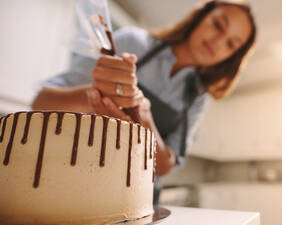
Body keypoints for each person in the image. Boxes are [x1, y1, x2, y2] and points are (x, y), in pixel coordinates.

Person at [32, 0, 257, 204]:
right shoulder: (133, 42)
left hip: (140, 201)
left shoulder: (197, 97)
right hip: (79, 186)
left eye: (230, 45)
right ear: (201, 16)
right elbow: (41, 102)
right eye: (218, 25)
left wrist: (144, 117)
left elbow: (166, 165)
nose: (218, 42)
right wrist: (95, 95)